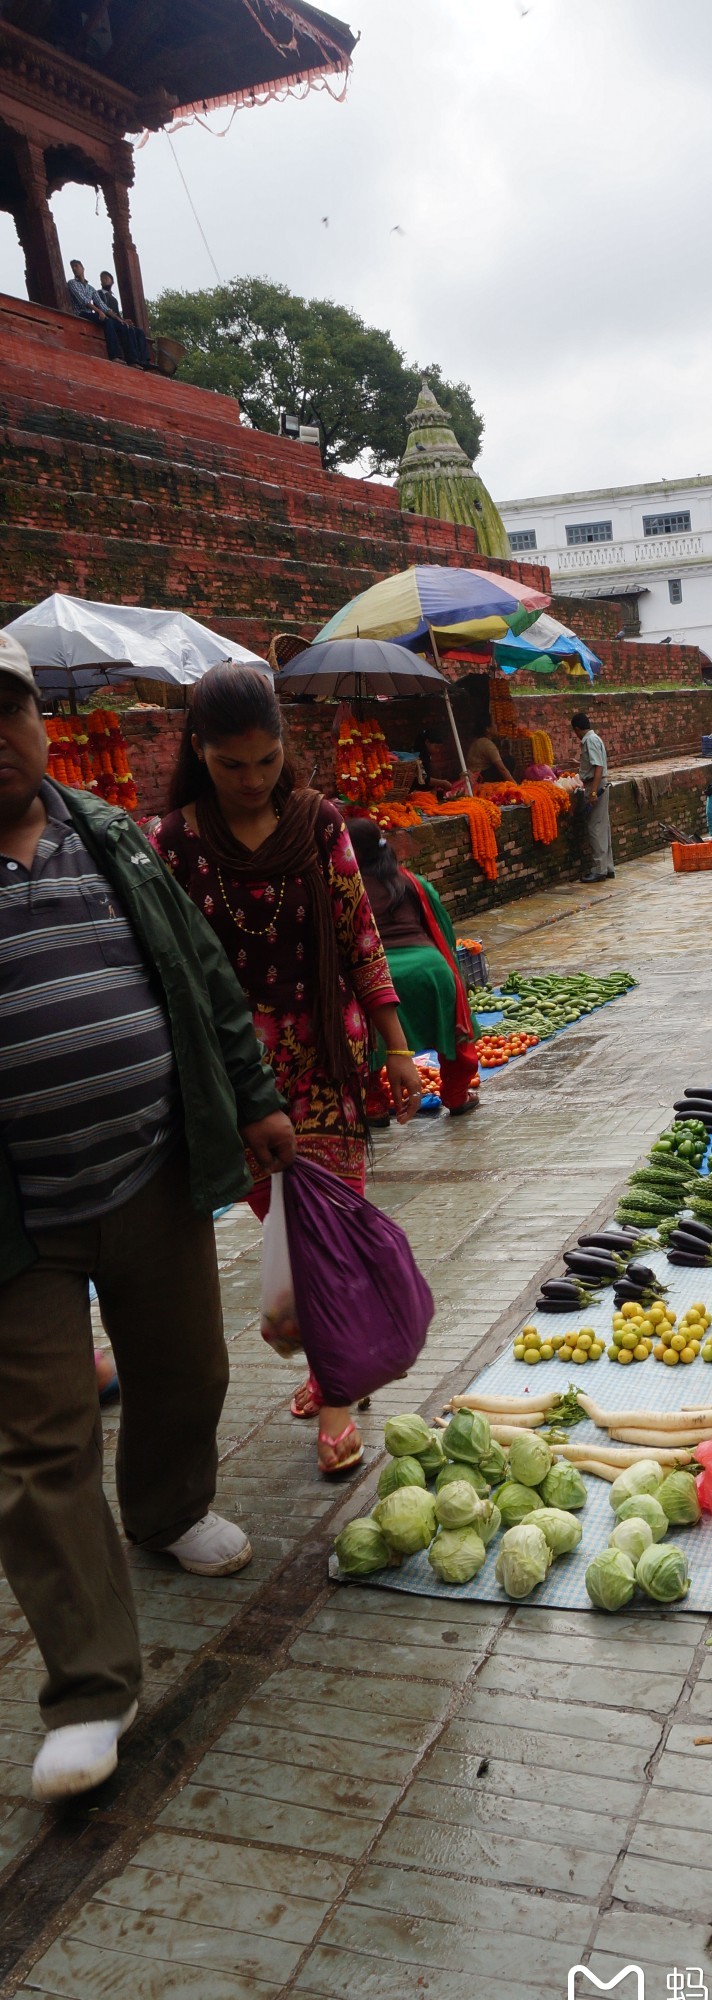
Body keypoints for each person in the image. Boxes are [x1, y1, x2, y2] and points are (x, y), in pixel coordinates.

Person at [0, 633, 295, 1800]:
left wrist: (257, 1098)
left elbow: (201, 975)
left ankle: (169, 1504)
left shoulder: (109, 835)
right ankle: (88, 1691)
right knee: (37, 1448)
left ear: (34, 715)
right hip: (14, 1216)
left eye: (6, 714)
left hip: (149, 1169)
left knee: (184, 1364)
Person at [150, 666, 422, 1477]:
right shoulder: (171, 843)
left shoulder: (320, 823)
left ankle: (336, 1394)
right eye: (231, 765)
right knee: (281, 1231)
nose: (251, 780)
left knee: (329, 1233)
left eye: (265, 761)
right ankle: (327, 1359)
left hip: (325, 1063)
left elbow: (362, 937)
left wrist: (399, 1048)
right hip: (234, 1079)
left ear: (284, 749)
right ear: (199, 753)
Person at [348, 819, 480, 1121]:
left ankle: (374, 1105)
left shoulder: (345, 891)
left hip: (377, 978)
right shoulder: (412, 881)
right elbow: (444, 933)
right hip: (430, 972)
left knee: (361, 1039)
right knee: (454, 1037)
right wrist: (452, 979)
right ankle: (457, 1096)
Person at [65, 258, 146, 366]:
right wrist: (99, 312)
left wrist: (119, 319)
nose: (74, 269)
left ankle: (132, 360)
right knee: (107, 322)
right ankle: (114, 356)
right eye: (72, 267)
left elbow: (102, 305)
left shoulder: (91, 288)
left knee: (122, 326)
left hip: (91, 312)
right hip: (80, 313)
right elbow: (83, 301)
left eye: (76, 266)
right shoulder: (72, 283)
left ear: (83, 268)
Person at [570, 710, 614, 880]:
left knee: (595, 827)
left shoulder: (589, 740)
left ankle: (599, 869)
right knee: (603, 826)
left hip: (596, 786)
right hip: (597, 783)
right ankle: (607, 867)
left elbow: (598, 767)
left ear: (577, 729)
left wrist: (594, 791)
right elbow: (594, 764)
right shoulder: (594, 739)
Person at [94, 270, 151, 367]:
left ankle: (144, 360)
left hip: (116, 320)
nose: (104, 281)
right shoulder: (99, 294)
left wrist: (124, 320)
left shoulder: (114, 298)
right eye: (102, 279)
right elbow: (100, 308)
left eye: (106, 278)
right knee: (126, 328)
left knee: (139, 332)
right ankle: (132, 359)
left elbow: (117, 314)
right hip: (108, 319)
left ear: (112, 282)